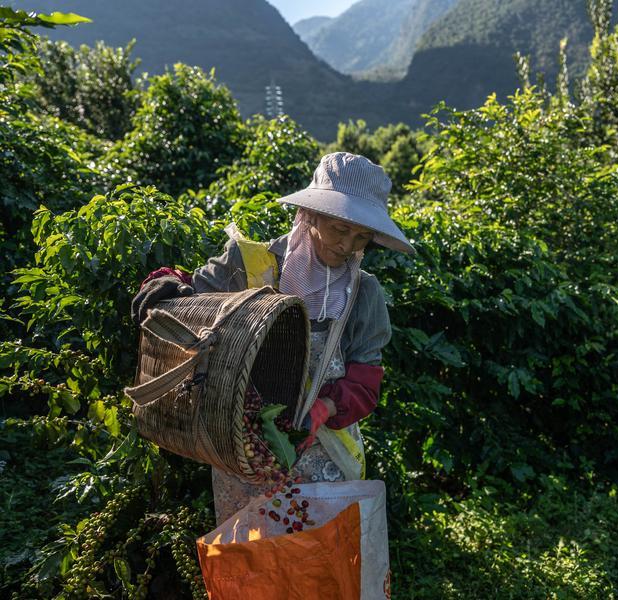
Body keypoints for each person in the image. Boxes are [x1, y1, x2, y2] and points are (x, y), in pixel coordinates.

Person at [131, 152, 414, 523]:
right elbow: (194, 299)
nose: (347, 246)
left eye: (361, 237)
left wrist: (324, 408)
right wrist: (165, 285)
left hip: (327, 455)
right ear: (312, 215)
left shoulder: (363, 293)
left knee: (319, 563)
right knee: (253, 560)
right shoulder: (250, 263)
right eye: (339, 230)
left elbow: (365, 380)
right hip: (244, 450)